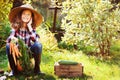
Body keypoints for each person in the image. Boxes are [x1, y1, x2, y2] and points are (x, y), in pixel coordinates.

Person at [6, 4, 44, 76]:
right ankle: (14, 70)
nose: (26, 16)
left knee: (38, 45)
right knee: (8, 46)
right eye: (24, 14)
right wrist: (13, 41)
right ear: (20, 15)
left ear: (31, 17)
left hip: (28, 52)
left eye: (28, 15)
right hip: (18, 52)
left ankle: (37, 69)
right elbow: (10, 38)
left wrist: (29, 27)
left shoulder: (32, 28)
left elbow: (36, 40)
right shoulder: (16, 26)